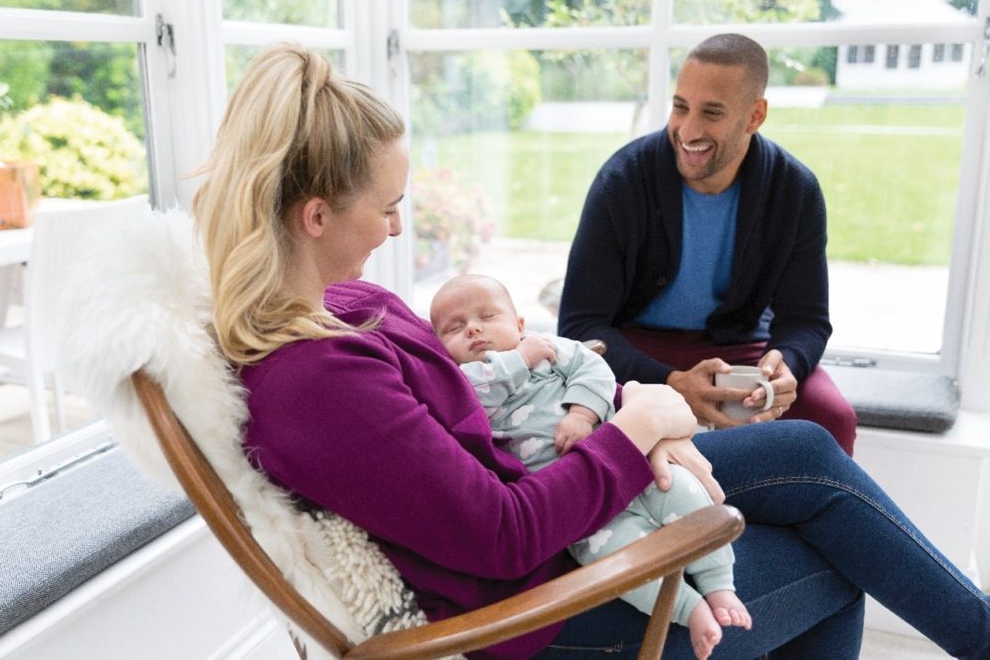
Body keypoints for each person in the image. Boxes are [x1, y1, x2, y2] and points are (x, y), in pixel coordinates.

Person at [193, 41, 990, 660]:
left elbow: (475, 409)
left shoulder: (347, 306)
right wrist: (634, 430)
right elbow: (501, 534)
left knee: (811, 449)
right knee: (836, 566)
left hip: (544, 481)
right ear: (315, 216)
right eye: (388, 207)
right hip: (541, 604)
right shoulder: (314, 382)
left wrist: (623, 413)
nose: (399, 228)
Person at [558, 33, 857, 455]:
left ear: (755, 116)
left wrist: (788, 362)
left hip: (742, 354)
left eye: (711, 113)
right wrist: (670, 381)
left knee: (832, 420)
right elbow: (579, 326)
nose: (688, 130)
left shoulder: (795, 190)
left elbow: (807, 320)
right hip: (636, 348)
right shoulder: (623, 180)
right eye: (680, 107)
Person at [430, 273, 751, 659]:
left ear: (519, 325)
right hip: (585, 511)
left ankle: (718, 584)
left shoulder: (552, 350)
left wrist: (582, 415)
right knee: (616, 564)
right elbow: (477, 390)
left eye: (486, 316)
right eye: (456, 327)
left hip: (636, 464)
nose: (474, 329)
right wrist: (517, 360)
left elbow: (595, 370)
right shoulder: (464, 386)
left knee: (687, 495)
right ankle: (689, 608)